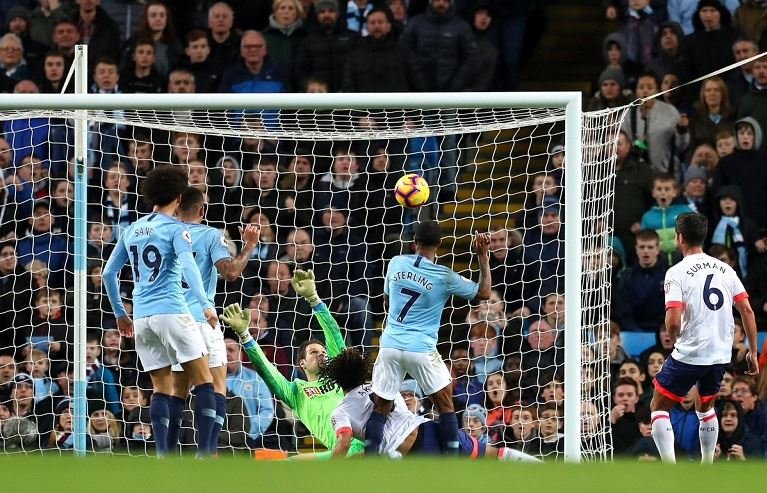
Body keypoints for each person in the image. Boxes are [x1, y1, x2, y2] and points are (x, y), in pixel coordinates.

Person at [102, 165, 219, 458]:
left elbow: (108, 274)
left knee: (162, 388)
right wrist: (205, 304)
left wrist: (120, 314)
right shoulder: (176, 229)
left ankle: (164, 458)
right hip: (172, 311)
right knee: (205, 380)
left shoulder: (131, 229)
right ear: (179, 198)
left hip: (141, 318)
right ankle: (205, 456)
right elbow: (189, 267)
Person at [366, 221, 490, 456]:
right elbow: (483, 292)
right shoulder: (445, 276)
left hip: (390, 344)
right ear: (441, 244)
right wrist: (482, 256)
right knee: (445, 407)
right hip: (421, 349)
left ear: (414, 242)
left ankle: (370, 461)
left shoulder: (396, 262)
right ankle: (452, 465)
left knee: (381, 408)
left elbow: (386, 302)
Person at [220, 269, 365, 459]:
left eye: (323, 352)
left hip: (367, 440)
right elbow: (266, 370)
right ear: (302, 364)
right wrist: (245, 336)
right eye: (314, 352)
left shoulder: (341, 376)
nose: (321, 355)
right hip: (342, 452)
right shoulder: (297, 392)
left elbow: (334, 334)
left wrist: (313, 298)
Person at [651, 212, 759, 464]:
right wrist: (753, 351)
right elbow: (747, 310)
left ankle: (669, 467)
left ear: (679, 238)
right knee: (705, 407)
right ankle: (707, 465)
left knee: (658, 407)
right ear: (704, 236)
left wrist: (675, 338)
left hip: (690, 352)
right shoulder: (726, 269)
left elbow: (674, 320)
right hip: (720, 354)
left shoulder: (676, 272)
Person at [166, 187, 261, 455]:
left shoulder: (165, 235)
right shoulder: (210, 235)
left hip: (174, 321)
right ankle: (206, 452)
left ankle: (168, 454)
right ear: (203, 210)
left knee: (178, 390)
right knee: (217, 384)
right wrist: (250, 245)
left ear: (176, 208)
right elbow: (231, 273)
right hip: (202, 319)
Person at [319, 347, 540, 462]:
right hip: (431, 428)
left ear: (337, 381)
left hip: (410, 451)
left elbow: (345, 442)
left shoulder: (341, 411)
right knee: (493, 455)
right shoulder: (384, 387)